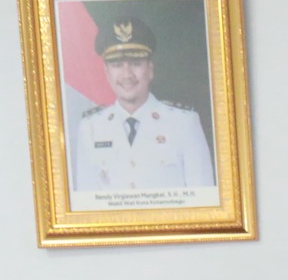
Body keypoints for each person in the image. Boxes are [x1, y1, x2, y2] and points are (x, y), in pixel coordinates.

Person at [70, 13, 217, 194]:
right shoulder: (91, 128)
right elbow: (87, 204)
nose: (127, 75)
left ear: (150, 70)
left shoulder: (184, 123)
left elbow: (204, 198)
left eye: (135, 63)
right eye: (117, 65)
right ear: (106, 73)